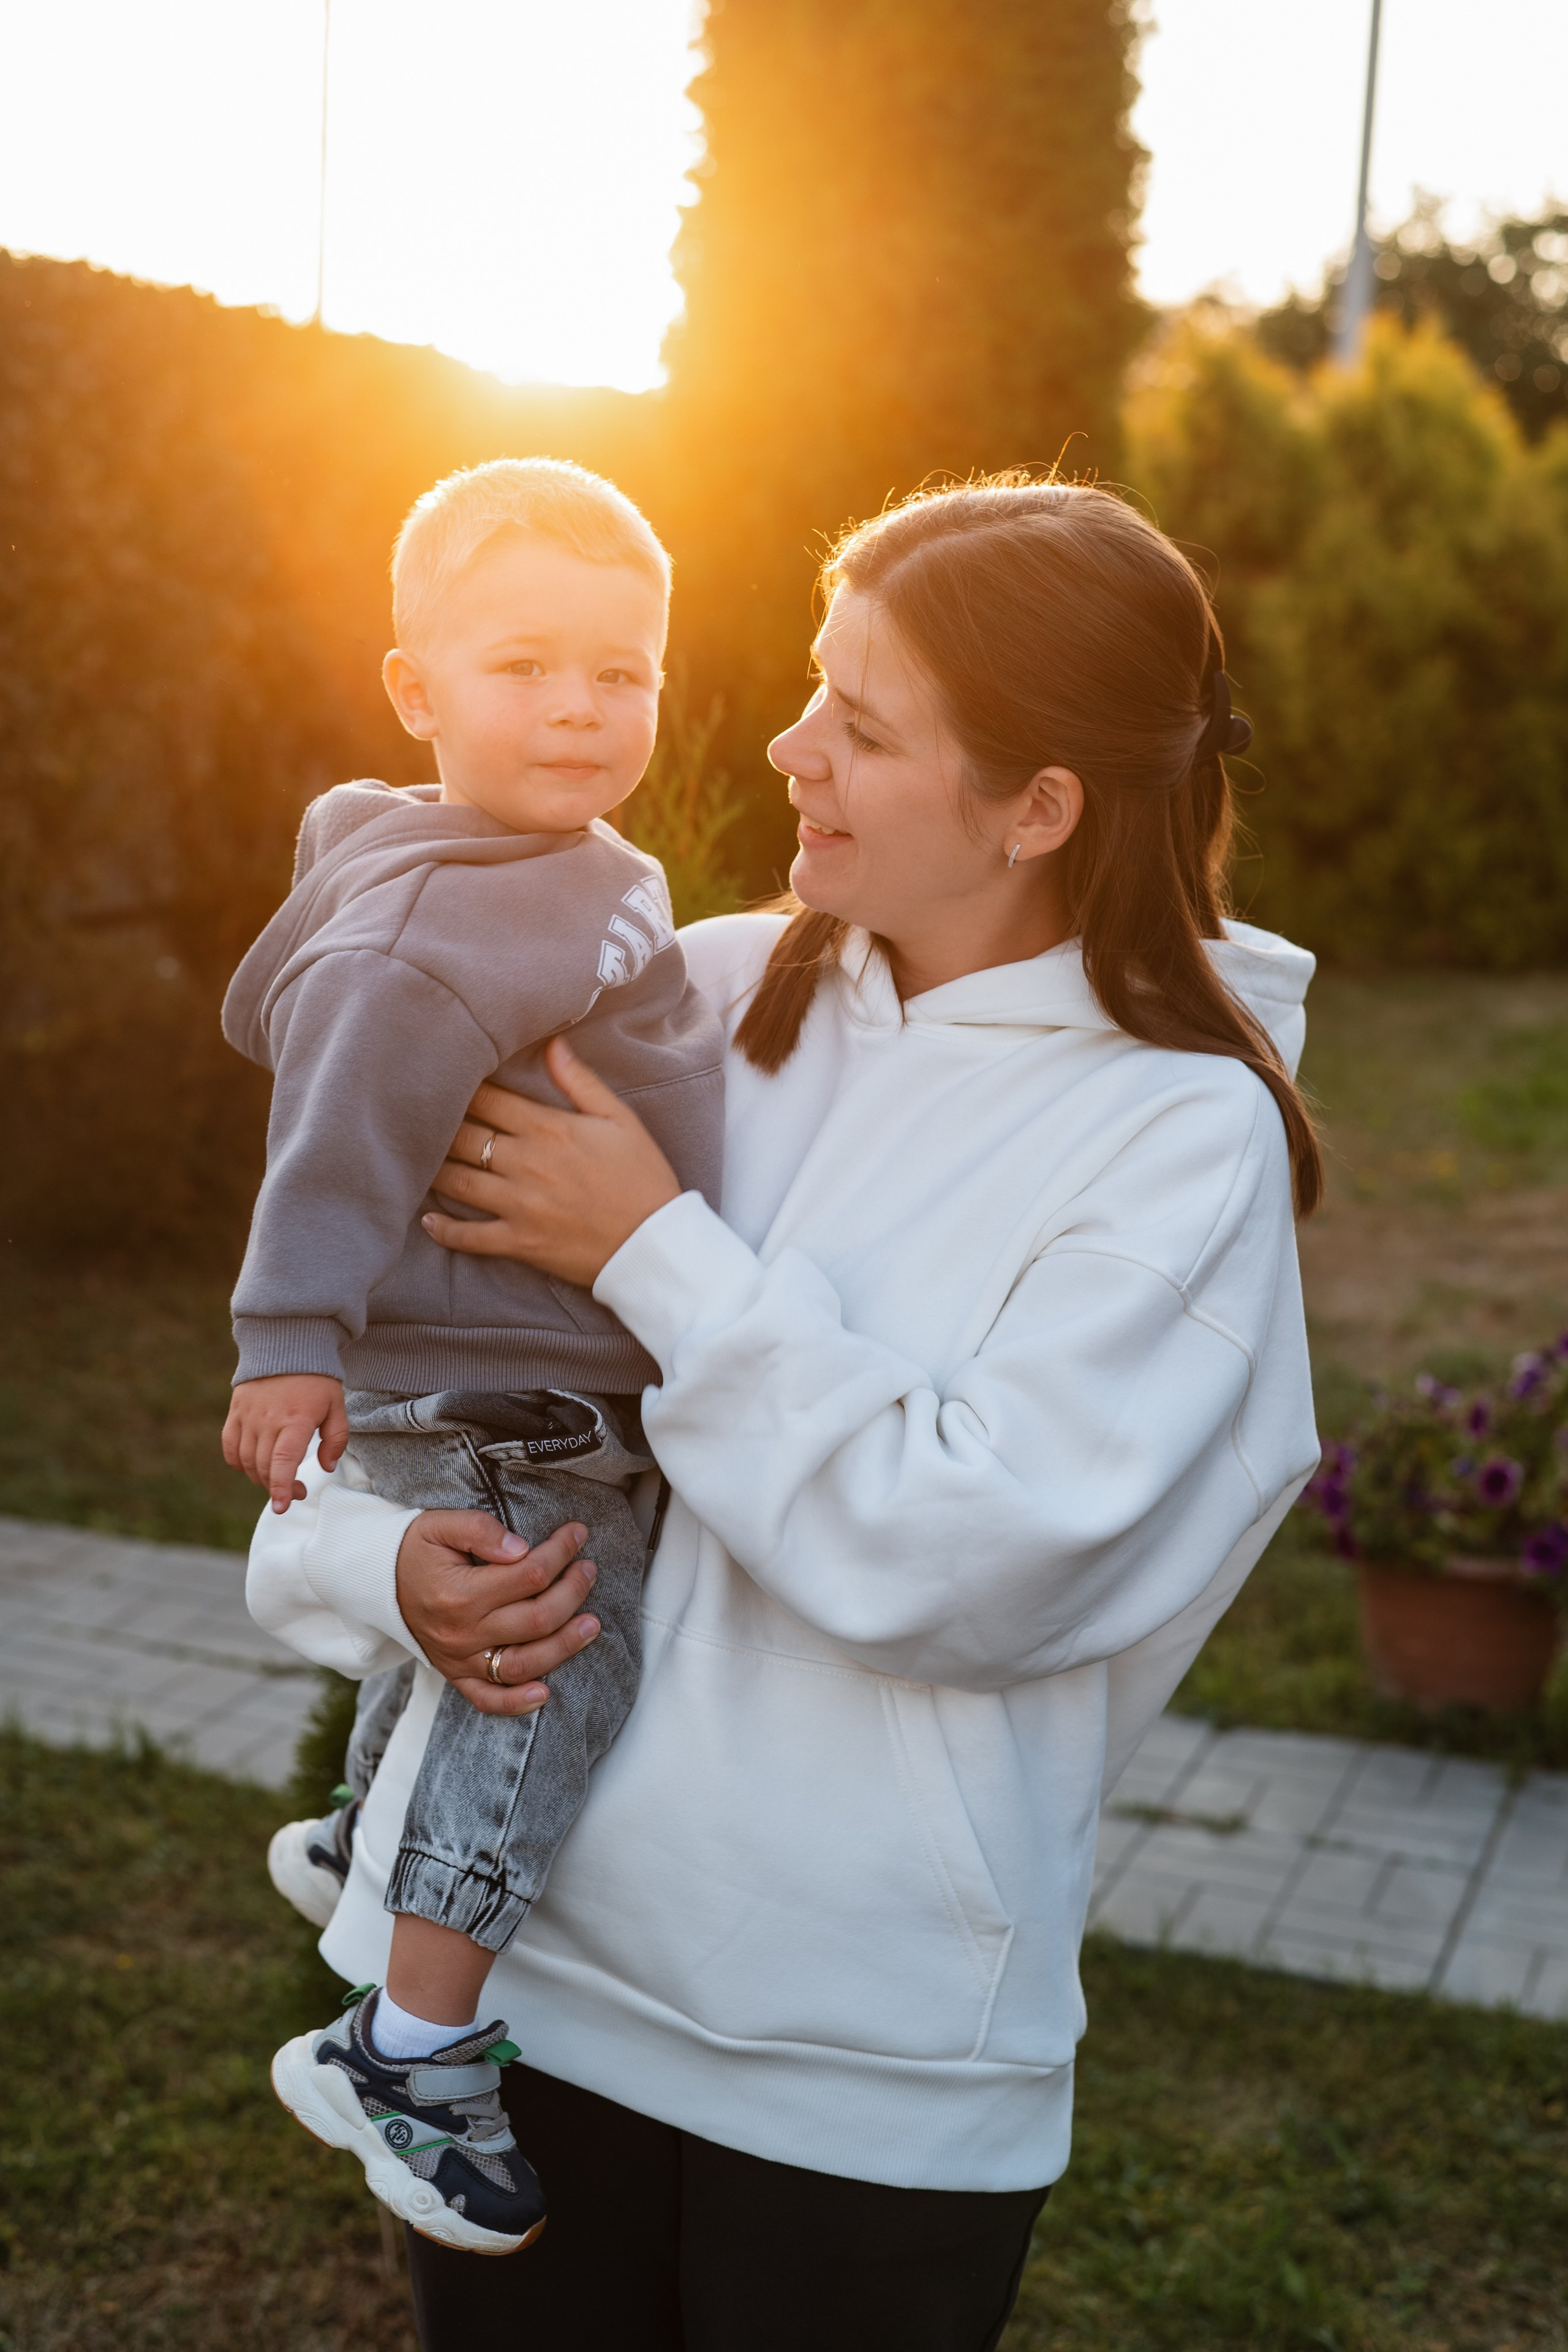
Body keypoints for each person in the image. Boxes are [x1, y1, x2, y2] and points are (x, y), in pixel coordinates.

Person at [248, 476, 1322, 2351]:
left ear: (1038, 808)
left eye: (864, 723)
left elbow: (970, 1560)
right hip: (510, 2003)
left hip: (857, 2080)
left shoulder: (1178, 1137)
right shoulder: (680, 992)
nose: (782, 743)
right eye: (815, 687)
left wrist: (656, 1248)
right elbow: (400, 1372)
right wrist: (376, 1571)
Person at [222, 457, 724, 2253]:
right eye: (526, 667)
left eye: (625, 668)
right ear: (417, 693)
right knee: (548, 1661)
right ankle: (409, 2050)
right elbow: (338, 1129)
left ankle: (369, 1843)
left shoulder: (540, 862)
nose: (585, 707)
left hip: (523, 1370)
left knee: (485, 1648)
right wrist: (286, 1338)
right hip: (502, 1376)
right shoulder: (443, 922)